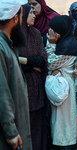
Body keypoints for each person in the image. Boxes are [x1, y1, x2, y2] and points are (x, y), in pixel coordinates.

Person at [46, 15, 77, 150]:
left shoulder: (68, 46)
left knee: (64, 122)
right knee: (60, 122)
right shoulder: (65, 43)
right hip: (61, 85)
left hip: (66, 88)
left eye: (53, 30)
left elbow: (50, 63)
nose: (50, 33)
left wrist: (51, 44)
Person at [0, 0, 32, 149]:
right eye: (21, 16)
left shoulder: (6, 44)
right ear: (15, 18)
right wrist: (11, 131)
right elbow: (1, 93)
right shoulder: (1, 47)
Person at [16, 4, 48, 150]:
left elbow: (42, 60)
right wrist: (30, 63)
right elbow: (12, 62)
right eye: (31, 13)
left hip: (36, 88)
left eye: (35, 13)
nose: (34, 16)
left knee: (37, 125)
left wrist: (23, 60)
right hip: (20, 86)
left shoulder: (35, 33)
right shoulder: (14, 35)